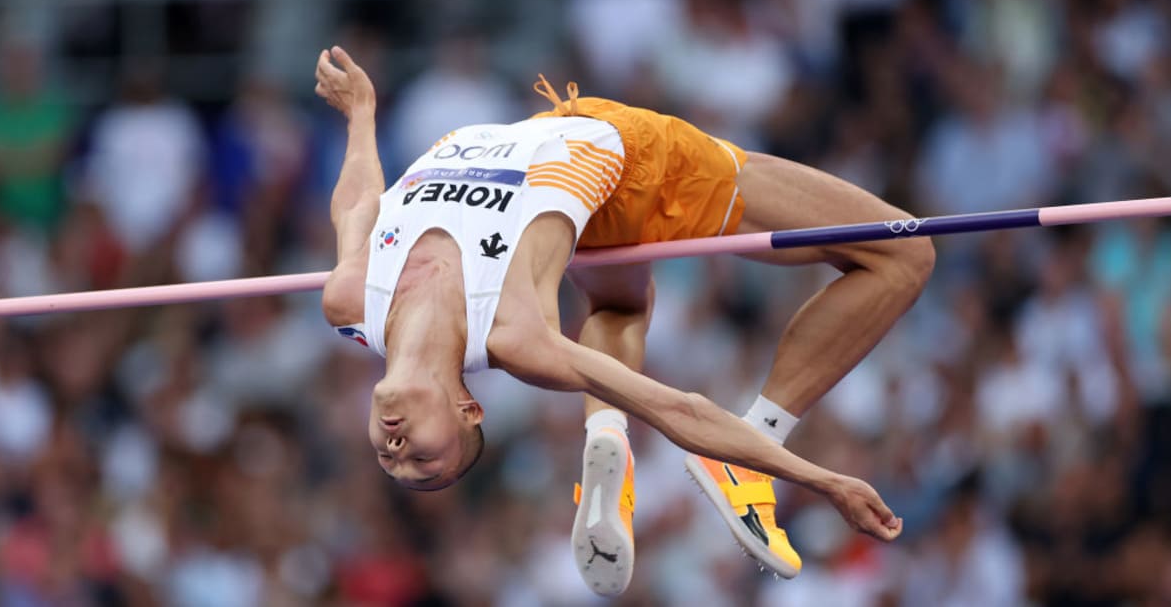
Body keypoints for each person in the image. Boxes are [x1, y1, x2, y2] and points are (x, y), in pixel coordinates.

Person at [314, 46, 933, 596]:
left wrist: (361, 116)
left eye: (393, 463)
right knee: (904, 251)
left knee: (617, 308)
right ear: (467, 408)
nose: (396, 455)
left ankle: (605, 438)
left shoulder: (350, 301)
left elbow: (359, 204)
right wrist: (824, 481)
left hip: (563, 175)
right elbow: (679, 410)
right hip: (631, 162)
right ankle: (753, 445)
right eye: (424, 463)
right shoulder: (515, 335)